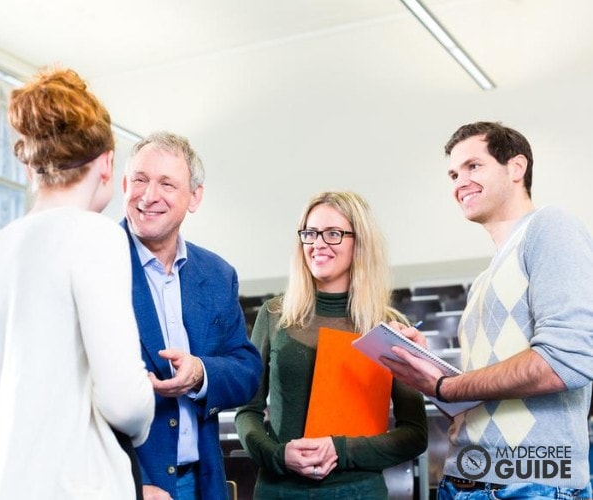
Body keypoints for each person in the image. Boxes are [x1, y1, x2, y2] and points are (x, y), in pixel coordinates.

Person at [0, 67, 154, 499]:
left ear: (32, 167)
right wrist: (142, 417)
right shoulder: (95, 233)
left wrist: (22, 432)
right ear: (107, 163)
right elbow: (125, 402)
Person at [383, 121, 593, 499]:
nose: (459, 182)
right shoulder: (484, 279)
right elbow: (482, 394)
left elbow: (568, 360)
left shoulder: (550, 227)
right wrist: (430, 369)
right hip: (465, 478)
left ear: (516, 168)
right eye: (453, 173)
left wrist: (448, 386)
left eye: (473, 166)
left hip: (532, 482)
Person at [235, 191, 428, 499]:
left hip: (357, 491)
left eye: (333, 234)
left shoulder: (388, 325)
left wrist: (340, 450)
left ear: (359, 242)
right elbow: (248, 410)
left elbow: (415, 435)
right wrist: (276, 455)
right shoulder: (274, 315)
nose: (318, 244)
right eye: (310, 233)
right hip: (280, 490)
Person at [121, 131, 262, 500]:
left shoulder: (218, 274)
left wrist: (201, 372)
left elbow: (246, 369)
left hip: (201, 482)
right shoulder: (95, 261)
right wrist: (129, 486)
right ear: (124, 184)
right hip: (126, 483)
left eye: (167, 183)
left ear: (194, 197)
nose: (149, 195)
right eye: (140, 179)